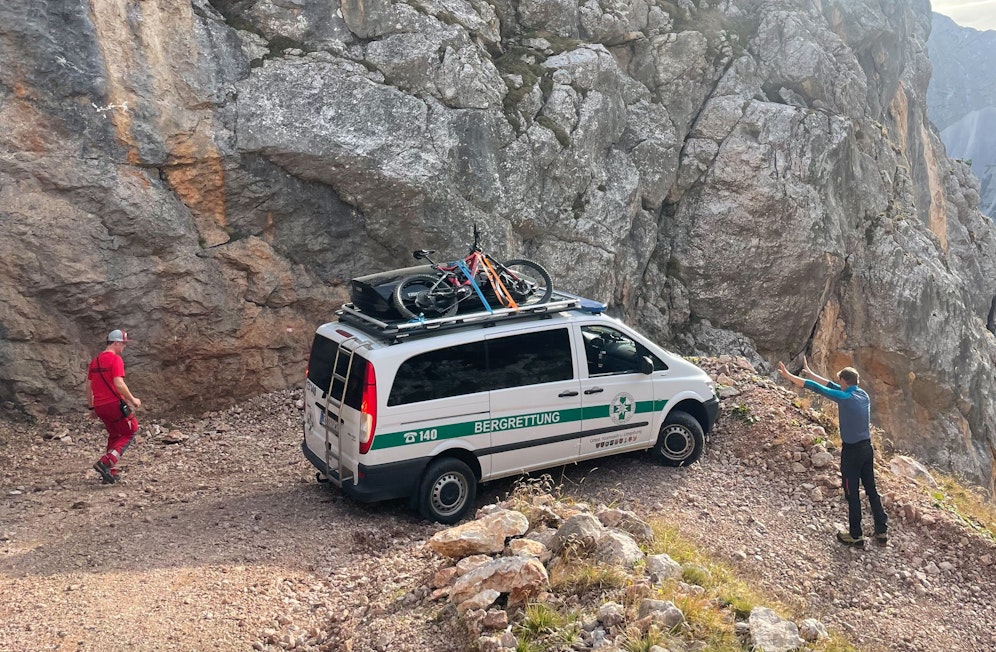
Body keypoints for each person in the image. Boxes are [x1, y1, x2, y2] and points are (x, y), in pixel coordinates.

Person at [778, 356, 888, 548]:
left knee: (851, 493)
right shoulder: (862, 394)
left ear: (844, 382)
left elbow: (818, 388)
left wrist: (788, 376)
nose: (839, 385)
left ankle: (855, 535)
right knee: (871, 489)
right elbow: (830, 385)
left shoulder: (844, 397)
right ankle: (881, 529)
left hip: (852, 453)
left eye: (840, 382)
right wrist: (811, 373)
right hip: (867, 449)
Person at [86, 329, 141, 484]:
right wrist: (132, 400)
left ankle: (110, 471)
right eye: (123, 343)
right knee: (130, 431)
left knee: (115, 434)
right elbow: (119, 383)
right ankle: (106, 462)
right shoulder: (115, 360)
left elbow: (88, 386)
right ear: (116, 343)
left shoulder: (95, 361)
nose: (124, 347)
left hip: (100, 406)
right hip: (114, 403)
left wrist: (92, 408)